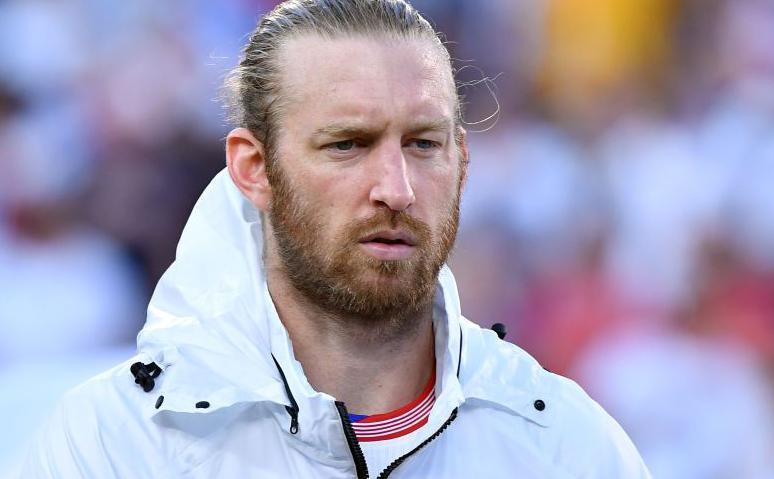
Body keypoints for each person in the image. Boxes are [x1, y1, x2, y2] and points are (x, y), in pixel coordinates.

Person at [20, 1, 650, 477]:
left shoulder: (564, 445)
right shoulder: (117, 445)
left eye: (424, 144)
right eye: (347, 145)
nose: (396, 189)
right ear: (253, 168)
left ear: (461, 158)